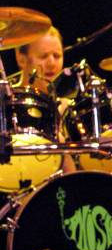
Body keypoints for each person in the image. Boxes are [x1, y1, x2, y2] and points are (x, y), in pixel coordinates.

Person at [14, 26, 76, 173]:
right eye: (43, 56)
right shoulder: (7, 102)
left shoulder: (67, 109)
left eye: (57, 55)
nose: (51, 63)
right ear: (21, 59)